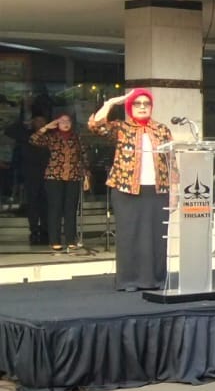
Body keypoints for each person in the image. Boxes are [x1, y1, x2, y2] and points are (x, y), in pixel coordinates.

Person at [89, 88, 173, 291]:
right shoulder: (121, 128)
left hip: (158, 190)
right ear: (130, 107)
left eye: (146, 104)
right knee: (129, 235)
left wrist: (175, 191)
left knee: (157, 236)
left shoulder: (162, 129)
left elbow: (172, 161)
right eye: (137, 103)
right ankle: (129, 280)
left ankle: (156, 279)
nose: (142, 107)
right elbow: (96, 125)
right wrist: (110, 103)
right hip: (126, 190)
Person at [30, 114, 89, 253]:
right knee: (55, 209)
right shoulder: (52, 137)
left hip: (73, 176)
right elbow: (33, 140)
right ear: (57, 123)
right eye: (62, 121)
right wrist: (45, 127)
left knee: (70, 210)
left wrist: (86, 175)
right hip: (54, 176)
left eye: (67, 121)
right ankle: (55, 240)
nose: (65, 123)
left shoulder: (77, 137)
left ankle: (70, 240)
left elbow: (84, 156)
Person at [18, 115, 49, 245]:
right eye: (38, 121)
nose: (41, 123)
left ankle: (45, 230)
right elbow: (10, 131)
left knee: (46, 204)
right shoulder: (27, 136)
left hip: (48, 175)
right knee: (33, 204)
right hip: (32, 175)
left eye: (43, 121)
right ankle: (34, 230)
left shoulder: (51, 137)